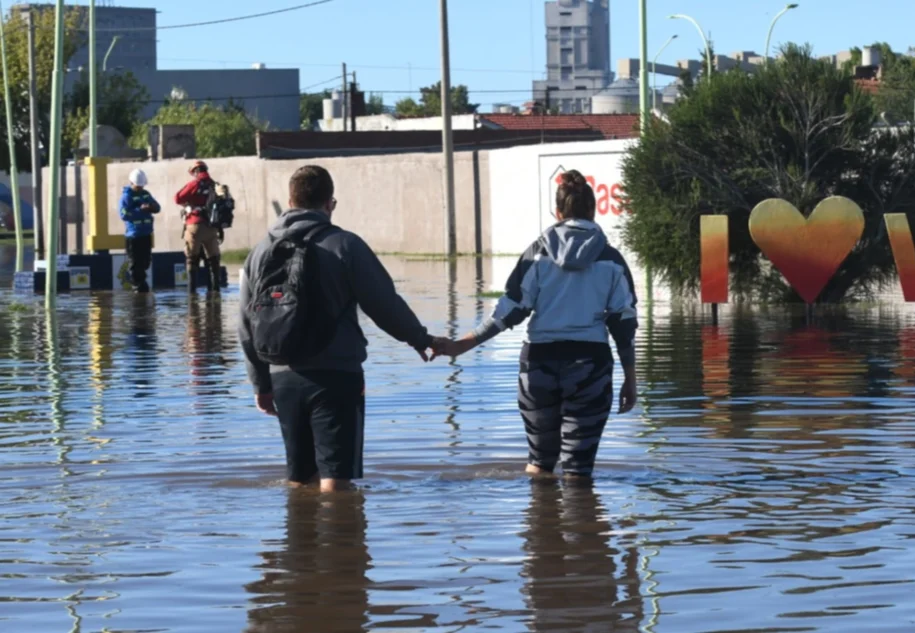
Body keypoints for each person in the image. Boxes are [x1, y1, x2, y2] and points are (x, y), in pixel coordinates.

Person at [239, 165, 446, 493]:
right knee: (336, 484)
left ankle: (298, 541)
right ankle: (341, 542)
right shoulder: (344, 245)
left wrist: (260, 383)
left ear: (290, 201)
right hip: (335, 375)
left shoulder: (260, 252)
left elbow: (246, 324)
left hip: (283, 376)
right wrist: (419, 338)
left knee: (298, 481)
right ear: (330, 204)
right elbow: (383, 303)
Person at [435, 169, 638, 479]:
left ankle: (539, 524)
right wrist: (630, 379)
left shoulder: (536, 256)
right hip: (590, 366)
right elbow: (623, 325)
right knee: (578, 472)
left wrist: (462, 345)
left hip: (538, 366)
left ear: (557, 212)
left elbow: (508, 311)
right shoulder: (611, 260)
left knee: (539, 464)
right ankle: (583, 526)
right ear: (593, 210)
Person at [174, 160, 221, 292]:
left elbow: (177, 198)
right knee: (213, 260)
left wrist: (189, 203)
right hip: (212, 227)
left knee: (192, 259)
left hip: (195, 225)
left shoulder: (194, 184)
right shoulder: (214, 185)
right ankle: (214, 292)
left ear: (196, 171)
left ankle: (192, 294)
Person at [119, 168, 160, 293]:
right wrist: (140, 210)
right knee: (136, 264)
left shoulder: (146, 194)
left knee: (146, 262)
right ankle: (138, 288)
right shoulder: (126, 197)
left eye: (142, 186)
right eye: (138, 186)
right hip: (134, 236)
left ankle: (141, 285)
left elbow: (157, 207)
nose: (140, 188)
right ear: (132, 183)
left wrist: (151, 207)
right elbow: (124, 215)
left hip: (146, 234)